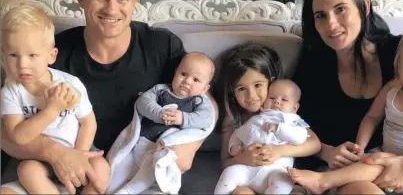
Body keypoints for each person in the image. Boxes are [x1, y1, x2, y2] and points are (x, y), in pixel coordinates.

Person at [0, 0, 217, 195]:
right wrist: (56, 153)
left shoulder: (162, 46)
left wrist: (189, 145)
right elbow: (7, 135)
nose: (112, 9)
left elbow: (204, 100)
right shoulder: (49, 55)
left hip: (135, 172)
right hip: (58, 173)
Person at [293, 0, 403, 194]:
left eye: (340, 9)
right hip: (351, 172)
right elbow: (293, 122)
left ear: (364, 8)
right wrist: (327, 152)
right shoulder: (313, 66)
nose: (331, 24)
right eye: (321, 16)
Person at [0, 5, 110, 194]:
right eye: (13, 55)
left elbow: (88, 122)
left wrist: (79, 154)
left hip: (76, 151)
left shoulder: (69, 83)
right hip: (38, 160)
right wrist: (51, 110)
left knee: (101, 167)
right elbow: (18, 136)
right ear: (2, 55)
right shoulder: (11, 91)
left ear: (51, 56)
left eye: (32, 55)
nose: (22, 64)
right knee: (27, 171)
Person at [215, 42, 321, 195]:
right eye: (242, 89)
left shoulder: (282, 114)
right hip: (246, 177)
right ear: (233, 92)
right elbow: (226, 163)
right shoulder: (233, 119)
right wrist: (243, 158)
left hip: (277, 175)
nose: (251, 95)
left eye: (258, 85)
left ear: (271, 82)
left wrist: (279, 150)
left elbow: (314, 144)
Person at [112, 52, 216, 194]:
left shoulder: (199, 102)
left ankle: (128, 191)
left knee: (153, 167)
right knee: (116, 172)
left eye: (196, 80)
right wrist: (159, 114)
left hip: (158, 149)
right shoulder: (161, 90)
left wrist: (183, 118)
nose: (187, 81)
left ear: (205, 89)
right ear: (175, 73)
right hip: (138, 142)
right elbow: (143, 102)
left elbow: (206, 119)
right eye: (183, 74)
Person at [214, 79, 311, 194]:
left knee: (283, 182)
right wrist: (234, 146)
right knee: (229, 173)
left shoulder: (293, 121)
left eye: (284, 99)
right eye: (272, 98)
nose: (277, 102)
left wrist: (278, 128)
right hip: (247, 168)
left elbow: (300, 138)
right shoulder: (256, 119)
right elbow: (238, 134)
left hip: (276, 170)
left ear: (295, 107)